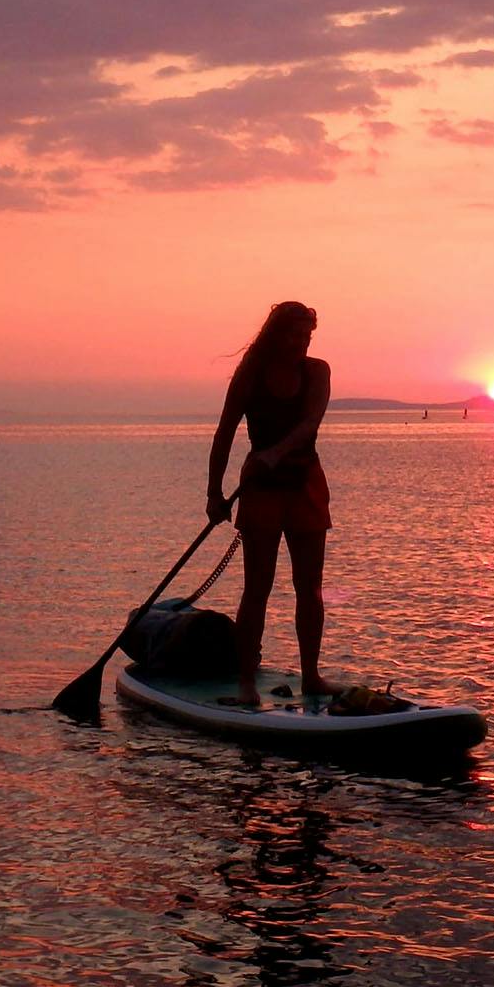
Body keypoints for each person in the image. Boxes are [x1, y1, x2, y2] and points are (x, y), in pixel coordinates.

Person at [207, 301, 337, 706]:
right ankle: (246, 682)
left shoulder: (317, 372)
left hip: (305, 485)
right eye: (293, 335)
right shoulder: (251, 374)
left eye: (306, 336)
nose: (300, 343)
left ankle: (311, 676)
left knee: (309, 588)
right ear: (274, 334)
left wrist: (276, 453)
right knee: (257, 588)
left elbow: (309, 423)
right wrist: (214, 493)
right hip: (260, 489)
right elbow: (225, 431)